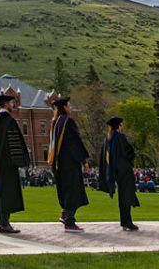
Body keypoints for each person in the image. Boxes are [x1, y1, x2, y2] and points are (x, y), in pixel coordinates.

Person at [0, 93, 30, 234]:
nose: (12, 105)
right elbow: (14, 142)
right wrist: (21, 159)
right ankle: (4, 223)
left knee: (1, 191)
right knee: (8, 192)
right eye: (11, 103)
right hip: (7, 163)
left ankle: (3, 221)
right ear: (6, 104)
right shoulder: (8, 120)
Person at [48, 97, 89, 231]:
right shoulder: (68, 121)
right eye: (69, 105)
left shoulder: (55, 122)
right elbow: (75, 142)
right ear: (64, 107)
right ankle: (69, 221)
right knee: (73, 190)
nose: (70, 107)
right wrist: (83, 160)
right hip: (69, 164)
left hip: (58, 163)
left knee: (65, 190)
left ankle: (65, 213)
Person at [97, 116, 139, 231]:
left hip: (116, 172)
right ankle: (127, 222)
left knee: (122, 197)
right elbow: (129, 152)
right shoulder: (120, 137)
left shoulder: (108, 139)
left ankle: (124, 221)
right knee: (126, 196)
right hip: (125, 171)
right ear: (118, 126)